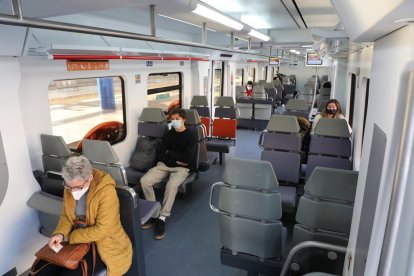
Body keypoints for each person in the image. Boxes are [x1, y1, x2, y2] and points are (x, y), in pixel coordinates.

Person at [32, 156, 132, 276]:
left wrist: (71, 237)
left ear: (89, 178)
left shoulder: (106, 192)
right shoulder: (69, 187)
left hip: (103, 243)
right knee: (41, 270)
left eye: (77, 187)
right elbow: (66, 217)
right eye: (68, 186)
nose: (72, 191)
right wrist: (60, 233)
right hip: (78, 239)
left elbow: (102, 230)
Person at [140, 108, 196, 240]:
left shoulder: (191, 135)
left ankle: (162, 217)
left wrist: (169, 153)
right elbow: (160, 153)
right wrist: (175, 159)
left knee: (171, 186)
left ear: (184, 120)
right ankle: (153, 212)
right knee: (145, 180)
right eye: (173, 119)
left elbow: (188, 158)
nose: (175, 121)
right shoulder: (169, 134)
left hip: (181, 169)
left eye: (177, 119)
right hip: (164, 165)